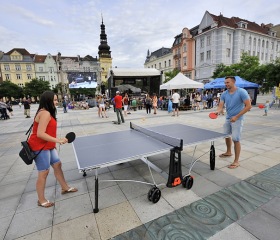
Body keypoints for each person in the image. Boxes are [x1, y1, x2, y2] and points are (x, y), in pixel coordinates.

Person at [28, 91, 77, 208]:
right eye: (54, 100)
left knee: (57, 165)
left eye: (56, 100)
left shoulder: (47, 112)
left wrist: (54, 142)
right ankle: (41, 199)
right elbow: (40, 134)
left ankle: (64, 187)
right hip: (40, 147)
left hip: (48, 146)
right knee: (44, 172)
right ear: (47, 101)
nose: (56, 102)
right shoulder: (45, 113)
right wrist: (58, 140)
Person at [215, 76, 251, 169]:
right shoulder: (224, 94)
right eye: (225, 83)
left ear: (233, 82)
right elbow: (220, 106)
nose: (226, 84)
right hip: (228, 118)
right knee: (226, 135)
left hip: (238, 118)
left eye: (228, 82)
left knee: (236, 139)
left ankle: (236, 161)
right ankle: (228, 152)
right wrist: (217, 111)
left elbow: (248, 106)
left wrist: (236, 116)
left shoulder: (241, 92)